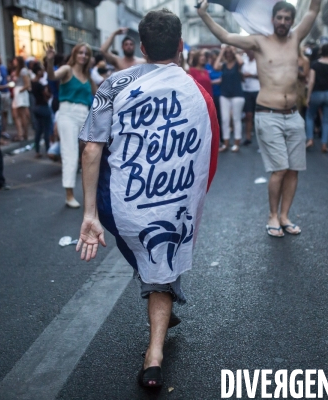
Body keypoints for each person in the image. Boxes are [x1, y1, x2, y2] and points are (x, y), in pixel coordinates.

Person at [76, 8, 218, 388]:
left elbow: (91, 150)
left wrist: (90, 212)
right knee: (161, 266)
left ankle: (155, 346)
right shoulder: (199, 92)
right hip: (173, 203)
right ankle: (153, 356)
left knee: (154, 263)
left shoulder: (112, 85)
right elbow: (209, 155)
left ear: (141, 46)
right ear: (181, 46)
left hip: (120, 205)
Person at [199, 0, 321, 237]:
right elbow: (225, 35)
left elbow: (314, 9)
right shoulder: (259, 42)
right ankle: (272, 216)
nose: (283, 22)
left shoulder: (296, 38)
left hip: (293, 115)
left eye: (288, 18)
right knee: (280, 169)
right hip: (268, 114)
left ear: (292, 21)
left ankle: (285, 215)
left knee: (294, 169)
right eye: (280, 18)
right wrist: (203, 14)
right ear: (272, 19)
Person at [46, 43, 96, 208]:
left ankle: (91, 193)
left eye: (86, 54)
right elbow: (52, 76)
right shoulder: (67, 69)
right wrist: (49, 60)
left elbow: (99, 94)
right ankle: (69, 195)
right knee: (70, 153)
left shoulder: (87, 76)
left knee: (90, 153)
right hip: (67, 113)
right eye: (80, 52)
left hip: (84, 114)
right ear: (75, 54)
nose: (83, 56)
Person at [305, 43, 328, 153]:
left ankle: (310, 139)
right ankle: (324, 144)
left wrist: (308, 96)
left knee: (310, 116)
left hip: (317, 93)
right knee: (326, 120)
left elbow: (311, 81)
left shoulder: (315, 64)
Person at [214, 45, 244, 152]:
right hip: (225, 95)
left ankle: (236, 143)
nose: (229, 54)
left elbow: (241, 62)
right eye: (227, 53)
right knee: (225, 119)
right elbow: (216, 66)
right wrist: (222, 52)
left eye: (229, 53)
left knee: (236, 119)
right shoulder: (224, 65)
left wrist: (234, 50)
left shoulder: (237, 64)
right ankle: (226, 144)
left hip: (237, 94)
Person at [30, 62, 53, 158]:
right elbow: (46, 95)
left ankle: (37, 151)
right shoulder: (40, 85)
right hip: (43, 107)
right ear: (38, 72)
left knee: (39, 131)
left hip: (36, 107)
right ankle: (48, 150)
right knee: (47, 130)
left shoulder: (32, 82)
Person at [242, 49, 260, 145]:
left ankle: (261, 138)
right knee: (248, 115)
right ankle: (248, 137)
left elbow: (263, 75)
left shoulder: (259, 61)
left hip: (257, 90)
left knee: (259, 116)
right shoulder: (244, 61)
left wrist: (251, 75)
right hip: (247, 90)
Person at [11, 56, 31, 141]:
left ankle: (23, 133)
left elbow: (27, 84)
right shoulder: (17, 71)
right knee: (15, 114)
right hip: (17, 92)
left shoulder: (23, 71)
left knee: (22, 114)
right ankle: (21, 133)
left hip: (20, 92)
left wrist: (20, 90)